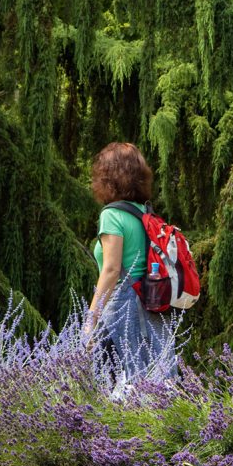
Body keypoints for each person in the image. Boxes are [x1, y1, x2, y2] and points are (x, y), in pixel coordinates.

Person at [83, 142, 178, 393]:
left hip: (122, 310)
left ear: (108, 177)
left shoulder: (111, 215)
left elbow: (112, 270)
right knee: (155, 383)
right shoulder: (145, 213)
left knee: (108, 388)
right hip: (151, 308)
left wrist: (90, 319)